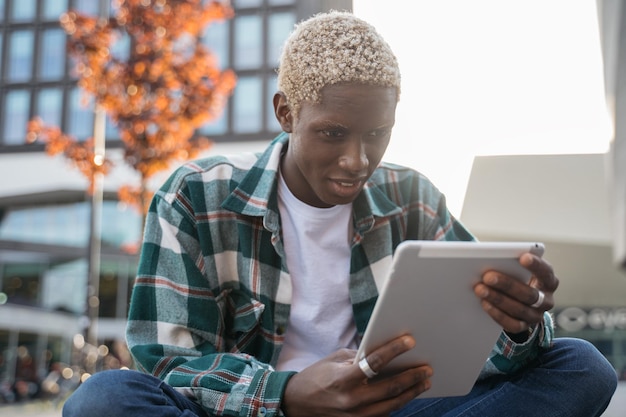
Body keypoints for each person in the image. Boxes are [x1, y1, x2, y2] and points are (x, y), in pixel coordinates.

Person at [63, 10, 618, 417]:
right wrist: (288, 394)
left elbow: (490, 360)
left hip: (391, 409)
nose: (357, 160)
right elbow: (166, 360)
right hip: (258, 411)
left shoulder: (413, 197)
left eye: (377, 134)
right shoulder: (195, 197)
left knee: (580, 365)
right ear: (286, 112)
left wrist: (517, 327)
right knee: (104, 399)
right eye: (332, 134)